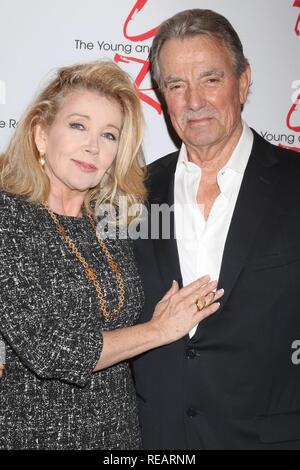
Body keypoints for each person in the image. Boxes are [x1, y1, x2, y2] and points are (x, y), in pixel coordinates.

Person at [0, 60, 223, 450]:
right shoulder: (10, 218)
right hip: (37, 436)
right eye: (77, 126)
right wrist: (158, 330)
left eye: (109, 134)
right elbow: (54, 351)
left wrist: (159, 319)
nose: (92, 146)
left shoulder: (111, 220)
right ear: (40, 134)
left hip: (121, 436)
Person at [132, 9, 300, 450]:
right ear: (162, 96)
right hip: (157, 439)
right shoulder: (132, 194)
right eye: (176, 85)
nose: (193, 102)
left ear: (243, 82)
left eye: (210, 79)